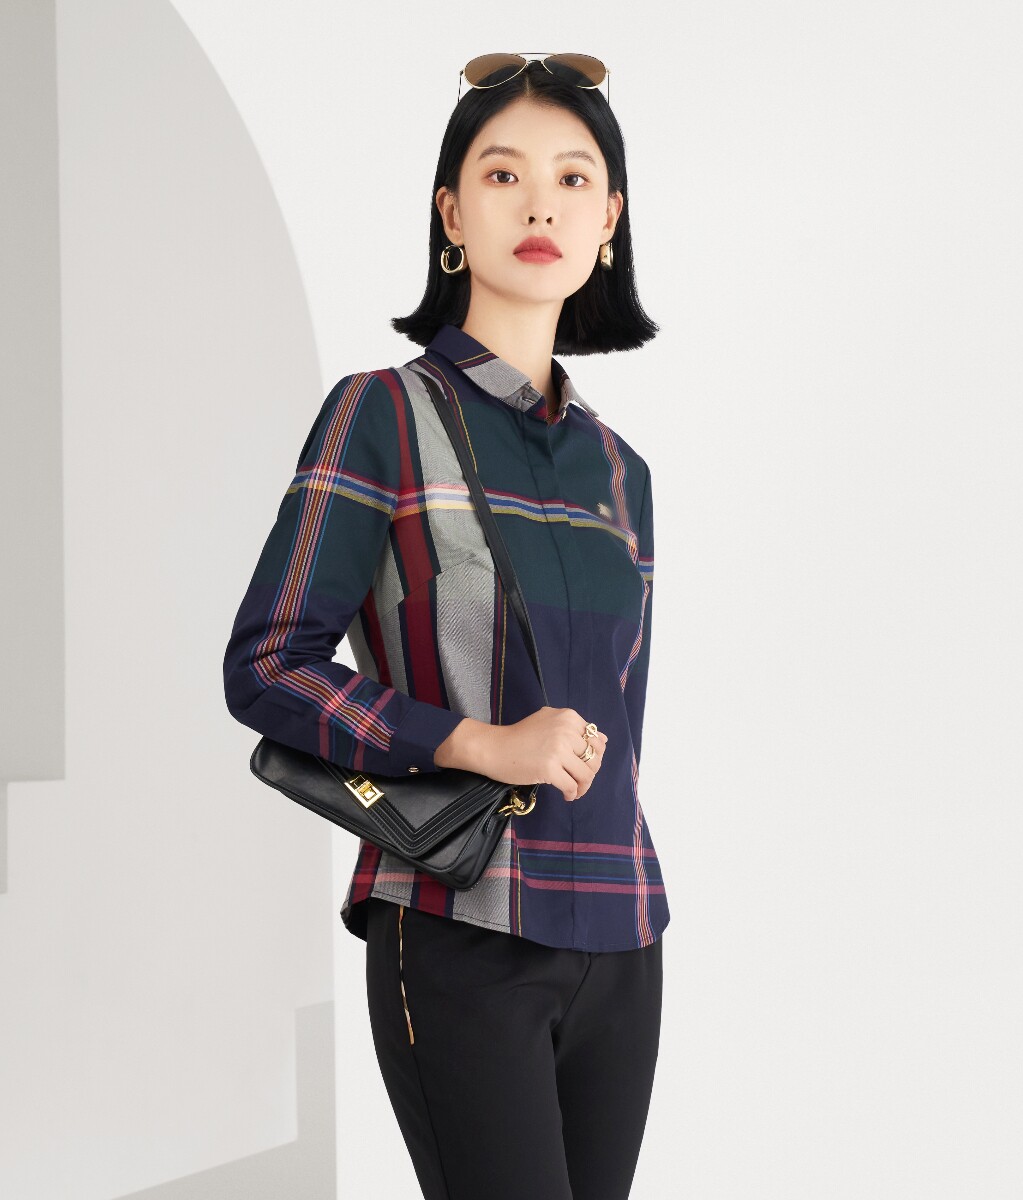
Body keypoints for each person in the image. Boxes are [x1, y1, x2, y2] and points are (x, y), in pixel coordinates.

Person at [223, 52, 668, 1200]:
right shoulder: (381, 414)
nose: (541, 205)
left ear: (609, 221)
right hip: (459, 920)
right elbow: (268, 663)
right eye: (504, 174)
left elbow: (620, 721)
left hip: (623, 933)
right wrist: (474, 742)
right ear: (453, 215)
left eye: (574, 180)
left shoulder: (622, 472)